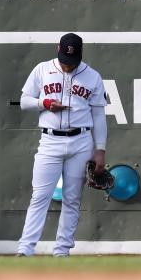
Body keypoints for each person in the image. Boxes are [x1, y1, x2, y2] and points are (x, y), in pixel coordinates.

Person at [16, 32, 107, 257]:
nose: (68, 66)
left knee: (72, 198)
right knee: (39, 196)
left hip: (81, 141)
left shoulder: (92, 76)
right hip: (49, 140)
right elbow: (24, 101)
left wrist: (100, 150)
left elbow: (99, 116)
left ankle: (62, 252)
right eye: (65, 62)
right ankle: (25, 250)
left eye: (72, 62)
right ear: (58, 49)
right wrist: (44, 103)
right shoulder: (42, 69)